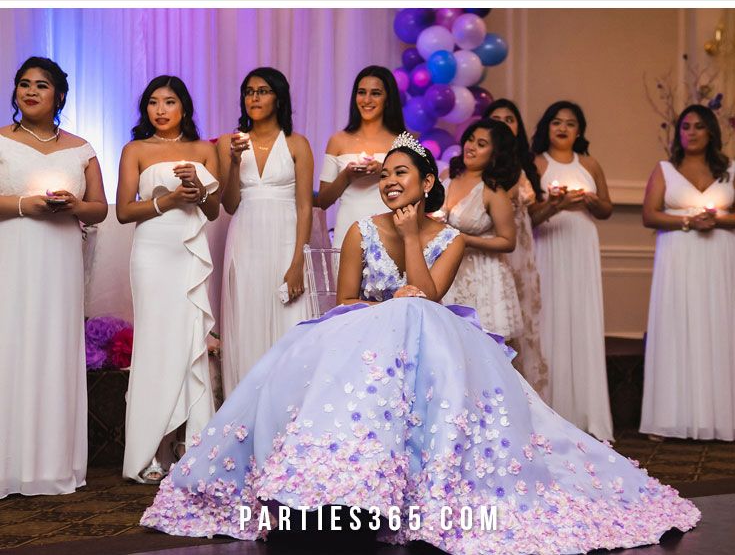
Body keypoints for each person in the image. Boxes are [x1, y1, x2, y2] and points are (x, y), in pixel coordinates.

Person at [141, 135, 699, 553]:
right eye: (384, 174)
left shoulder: (450, 237)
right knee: (383, 318)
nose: (389, 182)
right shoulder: (359, 230)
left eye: (400, 173)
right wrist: (391, 301)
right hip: (364, 339)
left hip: (427, 338)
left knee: (414, 308)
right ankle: (333, 484)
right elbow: (347, 300)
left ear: (427, 182)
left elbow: (429, 297)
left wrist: (411, 237)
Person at [0, 56, 107, 498]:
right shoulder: (2, 141)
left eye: (41, 85)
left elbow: (99, 208)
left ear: (59, 95)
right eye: (24, 84)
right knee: (12, 345)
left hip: (61, 256)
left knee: (54, 347)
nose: (30, 91)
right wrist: (29, 205)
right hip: (15, 252)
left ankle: (53, 463)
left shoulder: (82, 148)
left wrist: (72, 206)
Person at [117, 75, 220, 483]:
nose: (160, 110)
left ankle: (189, 445)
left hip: (190, 254)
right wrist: (170, 199)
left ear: (184, 108)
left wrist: (198, 191)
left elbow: (213, 213)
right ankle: (150, 449)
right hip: (152, 253)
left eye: (170, 102)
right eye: (153, 102)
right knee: (156, 345)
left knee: (189, 342)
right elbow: (125, 211)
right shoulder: (135, 150)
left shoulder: (204, 150)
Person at [640, 104, 735, 439]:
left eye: (698, 126)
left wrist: (718, 220)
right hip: (677, 255)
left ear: (711, 132)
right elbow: (649, 215)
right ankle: (667, 420)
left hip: (719, 257)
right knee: (675, 327)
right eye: (685, 126)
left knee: (718, 328)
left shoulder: (730, 170)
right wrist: (687, 221)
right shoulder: (665, 169)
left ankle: (719, 419)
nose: (691, 132)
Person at [217, 68, 313, 395]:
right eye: (248, 91)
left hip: (286, 237)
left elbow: (304, 207)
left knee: (290, 321)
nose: (254, 98)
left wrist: (298, 262)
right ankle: (244, 412)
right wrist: (232, 162)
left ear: (278, 97)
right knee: (246, 320)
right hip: (245, 236)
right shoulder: (230, 143)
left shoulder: (298, 144)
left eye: (262, 91)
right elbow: (228, 204)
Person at [530, 100, 613, 441]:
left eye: (570, 124)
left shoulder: (589, 164)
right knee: (550, 319)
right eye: (556, 123)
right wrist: (554, 205)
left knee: (582, 318)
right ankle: (550, 411)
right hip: (549, 243)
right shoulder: (536, 163)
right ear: (547, 127)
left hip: (581, 245)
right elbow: (529, 217)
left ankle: (588, 414)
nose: (563, 129)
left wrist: (593, 202)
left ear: (580, 131)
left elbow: (606, 208)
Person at [437, 118, 523, 342]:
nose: (471, 146)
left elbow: (508, 241)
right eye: (471, 139)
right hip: (444, 269)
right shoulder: (447, 176)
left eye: (481, 144)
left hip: (481, 277)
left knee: (480, 348)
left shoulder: (494, 191)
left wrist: (465, 239)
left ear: (495, 154)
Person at [485, 99, 549, 398]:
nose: (502, 124)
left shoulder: (523, 167)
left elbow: (531, 212)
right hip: (488, 253)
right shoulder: (476, 168)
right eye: (495, 118)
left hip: (520, 250)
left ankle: (528, 397)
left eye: (509, 119)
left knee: (523, 320)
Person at [317, 65, 405, 248]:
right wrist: (347, 175)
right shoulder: (337, 140)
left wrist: (384, 171)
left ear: (388, 98)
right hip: (348, 227)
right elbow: (323, 201)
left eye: (375, 93)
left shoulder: (402, 141)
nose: (366, 100)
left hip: (390, 230)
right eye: (361, 92)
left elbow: (416, 194)